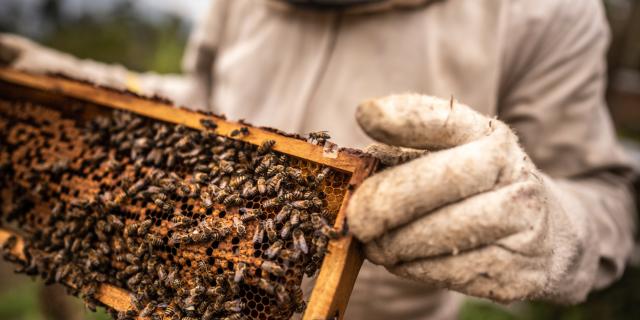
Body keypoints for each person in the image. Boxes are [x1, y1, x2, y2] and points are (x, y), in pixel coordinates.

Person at [0, 0, 637, 319]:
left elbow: (607, 195)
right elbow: (204, 112)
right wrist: (75, 83)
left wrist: (554, 230)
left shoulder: (547, 12)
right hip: (196, 297)